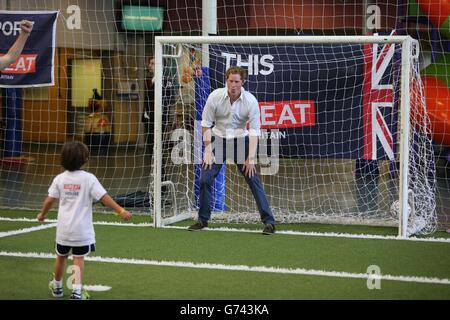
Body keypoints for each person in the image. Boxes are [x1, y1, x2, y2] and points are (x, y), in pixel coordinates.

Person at [36, 141, 132, 300]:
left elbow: (49, 200)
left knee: (61, 257)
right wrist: (121, 211)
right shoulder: (89, 179)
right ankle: (76, 292)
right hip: (81, 231)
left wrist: (42, 214)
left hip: (64, 231)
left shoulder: (60, 179)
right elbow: (104, 198)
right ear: (85, 159)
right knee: (78, 260)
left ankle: (58, 287)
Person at [187, 66, 276, 235]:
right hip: (217, 141)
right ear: (226, 80)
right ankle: (202, 220)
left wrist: (250, 158)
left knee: (253, 180)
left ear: (242, 82)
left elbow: (255, 131)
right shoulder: (215, 97)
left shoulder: (250, 101)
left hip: (240, 142)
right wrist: (207, 149)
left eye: (236, 81)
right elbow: (205, 124)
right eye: (230, 81)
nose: (233, 85)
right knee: (205, 180)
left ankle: (269, 222)